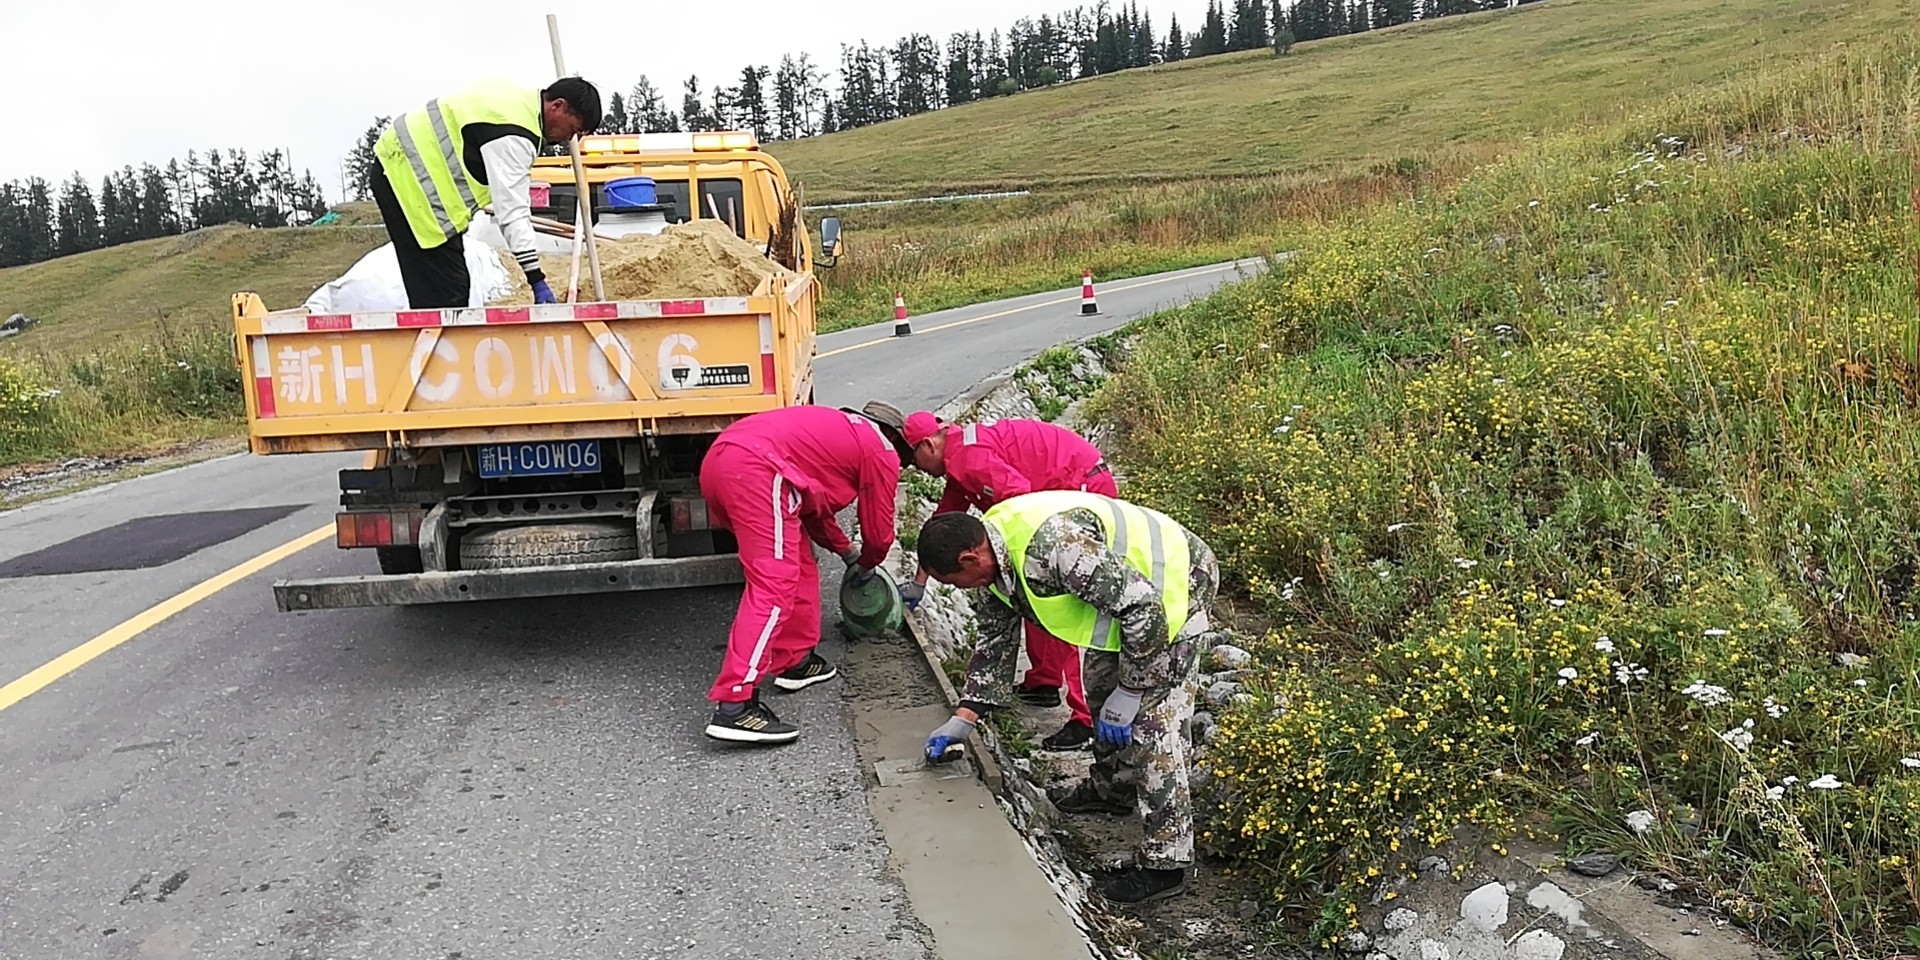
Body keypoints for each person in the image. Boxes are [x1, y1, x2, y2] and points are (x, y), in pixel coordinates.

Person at [916, 491, 1219, 904]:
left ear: (970, 559)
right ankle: (1114, 792)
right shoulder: (992, 562)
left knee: (1153, 726)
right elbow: (995, 639)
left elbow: (1144, 607)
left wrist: (1131, 690)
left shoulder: (1055, 549)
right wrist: (966, 715)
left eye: (953, 581)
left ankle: (1167, 863)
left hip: (1176, 586)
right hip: (1127, 603)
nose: (958, 588)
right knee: (1099, 689)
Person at [899, 411, 1115, 750]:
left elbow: (1018, 495)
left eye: (916, 460)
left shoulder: (968, 458)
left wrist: (1004, 551)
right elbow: (942, 525)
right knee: (1030, 594)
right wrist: (919, 581)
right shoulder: (960, 455)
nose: (919, 470)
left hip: (1080, 486)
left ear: (928, 444)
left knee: (1059, 602)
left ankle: (1084, 718)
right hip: (1068, 481)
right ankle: (1043, 681)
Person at [699, 402, 913, 744]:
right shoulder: (881, 449)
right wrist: (869, 564)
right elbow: (879, 532)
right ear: (894, 438)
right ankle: (735, 705)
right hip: (758, 470)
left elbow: (814, 512)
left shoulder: (839, 433)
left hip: (724, 460)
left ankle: (795, 660)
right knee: (773, 584)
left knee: (797, 562)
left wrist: (848, 554)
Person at [371, 76, 603, 309]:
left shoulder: (514, 98)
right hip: (407, 180)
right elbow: (512, 212)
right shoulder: (515, 134)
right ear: (557, 106)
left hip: (399, 164)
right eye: (573, 129)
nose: (569, 139)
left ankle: (432, 340)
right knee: (447, 291)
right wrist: (536, 279)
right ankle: (430, 344)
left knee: (441, 288)